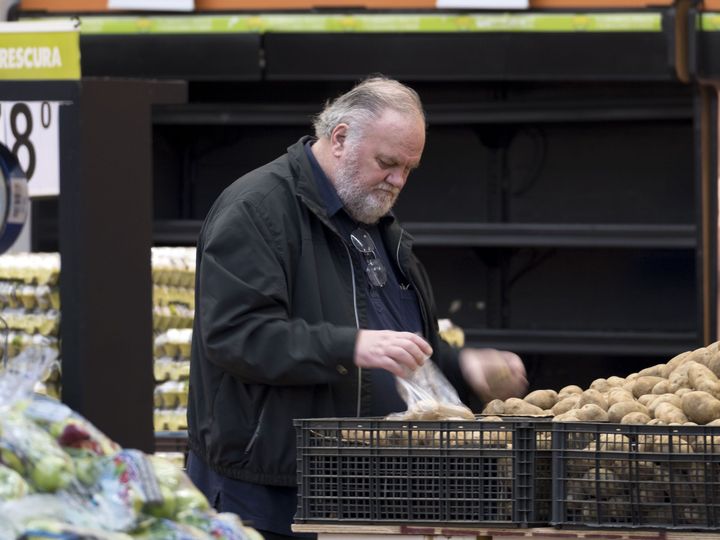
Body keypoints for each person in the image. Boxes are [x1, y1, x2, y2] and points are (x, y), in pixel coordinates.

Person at [186, 76, 527, 540]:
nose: (398, 180)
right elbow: (235, 335)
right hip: (268, 492)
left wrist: (459, 364)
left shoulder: (370, 220)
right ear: (341, 137)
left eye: (410, 168)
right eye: (388, 163)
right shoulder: (256, 209)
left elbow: (389, 331)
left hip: (354, 488)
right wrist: (351, 345)